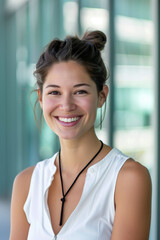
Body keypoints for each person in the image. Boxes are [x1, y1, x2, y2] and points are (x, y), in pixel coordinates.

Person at [10, 30, 152, 240]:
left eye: (80, 91)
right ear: (41, 99)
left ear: (101, 96)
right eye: (55, 92)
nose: (66, 106)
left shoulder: (128, 179)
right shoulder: (26, 183)